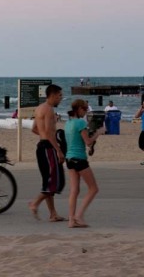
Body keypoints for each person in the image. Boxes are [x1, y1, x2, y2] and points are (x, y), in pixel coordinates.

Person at [28, 84, 66, 222]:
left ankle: (53, 214)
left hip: (41, 147)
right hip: (48, 148)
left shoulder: (39, 108)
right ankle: (34, 203)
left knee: (48, 181)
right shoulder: (49, 110)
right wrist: (59, 150)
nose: (61, 98)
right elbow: (50, 133)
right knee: (55, 183)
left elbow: (34, 129)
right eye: (60, 95)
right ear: (53, 95)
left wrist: (43, 136)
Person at [65, 99, 104, 228]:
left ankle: (71, 220)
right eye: (85, 109)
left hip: (69, 159)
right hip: (79, 159)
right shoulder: (80, 123)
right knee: (93, 188)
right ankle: (79, 216)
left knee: (74, 190)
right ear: (79, 109)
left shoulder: (68, 123)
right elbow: (88, 142)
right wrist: (98, 133)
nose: (86, 111)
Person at [133, 101, 144, 165]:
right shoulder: (142, 111)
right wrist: (141, 108)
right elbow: (136, 116)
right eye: (143, 104)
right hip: (143, 130)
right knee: (141, 145)